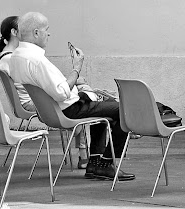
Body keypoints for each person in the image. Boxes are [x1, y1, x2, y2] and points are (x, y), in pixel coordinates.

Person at [8, 12, 134, 181]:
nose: (49, 34)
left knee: (101, 105)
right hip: (67, 110)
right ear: (36, 33)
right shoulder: (36, 60)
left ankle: (95, 163)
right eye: (47, 30)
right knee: (124, 110)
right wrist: (76, 68)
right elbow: (61, 93)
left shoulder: (16, 56)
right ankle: (105, 164)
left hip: (51, 111)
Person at [0, 16, 93, 170]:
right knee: (84, 96)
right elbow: (43, 84)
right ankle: (86, 153)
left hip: (35, 99)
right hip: (35, 102)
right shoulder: (15, 58)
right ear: (15, 32)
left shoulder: (13, 56)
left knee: (83, 91)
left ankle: (87, 151)